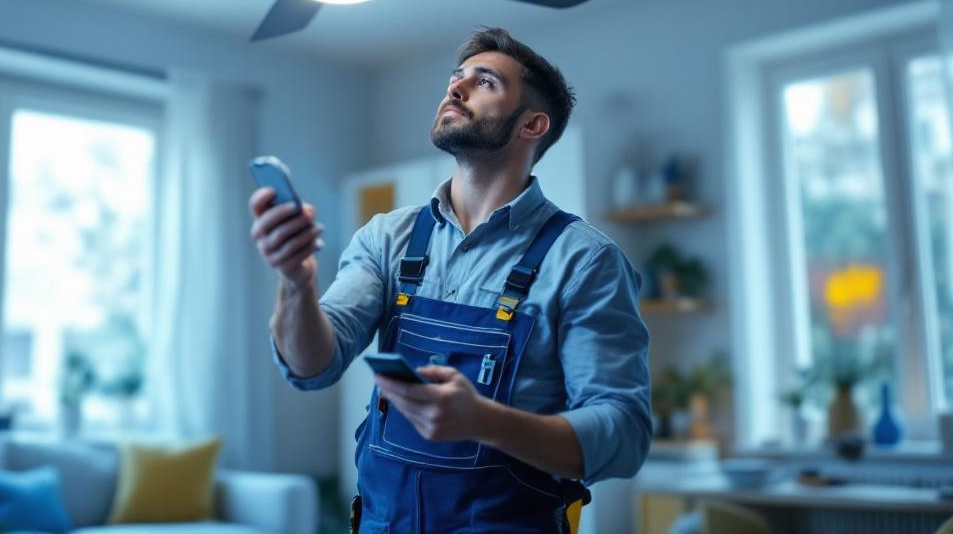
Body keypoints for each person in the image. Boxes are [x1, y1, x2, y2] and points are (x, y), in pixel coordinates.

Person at [248, 28, 651, 533]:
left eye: (484, 82)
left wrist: (484, 420)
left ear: (532, 124)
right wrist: (294, 282)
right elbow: (312, 366)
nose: (454, 90)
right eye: (454, 79)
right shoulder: (388, 237)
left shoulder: (586, 261)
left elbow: (624, 434)